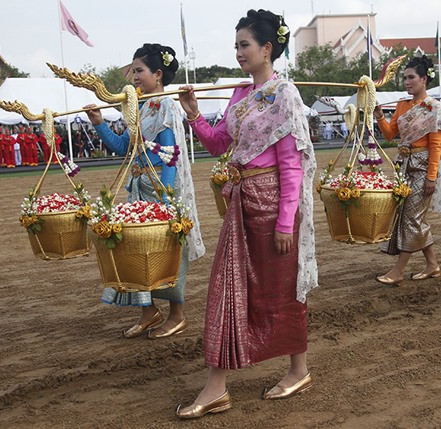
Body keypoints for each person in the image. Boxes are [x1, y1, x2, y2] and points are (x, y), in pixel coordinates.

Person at [176, 9, 318, 419]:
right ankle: (216, 385)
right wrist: (193, 112)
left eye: (244, 45)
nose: (238, 52)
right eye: (236, 45)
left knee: (282, 289)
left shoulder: (284, 94)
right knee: (226, 290)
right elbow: (219, 144)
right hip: (240, 203)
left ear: (267, 49)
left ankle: (298, 370)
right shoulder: (239, 95)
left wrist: (285, 220)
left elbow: (293, 164)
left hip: (273, 205)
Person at [84, 43, 205, 338]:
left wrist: (166, 198)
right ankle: (148, 311)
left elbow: (170, 152)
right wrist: (99, 124)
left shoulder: (166, 105)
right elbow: (124, 148)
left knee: (169, 251)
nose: (134, 76)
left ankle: (177, 315)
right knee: (136, 251)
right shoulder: (137, 107)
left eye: (139, 71)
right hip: (138, 188)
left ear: (158, 74)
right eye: (133, 70)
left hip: (160, 190)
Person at [373, 55, 441, 285]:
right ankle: (432, 264)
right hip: (405, 167)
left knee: (411, 218)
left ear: (424, 80)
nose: (407, 82)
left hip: (422, 168)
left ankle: (398, 271)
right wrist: (379, 117)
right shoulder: (402, 105)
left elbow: (436, 146)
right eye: (405, 78)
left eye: (411, 78)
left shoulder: (434, 108)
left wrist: (431, 177)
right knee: (412, 217)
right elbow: (390, 135)